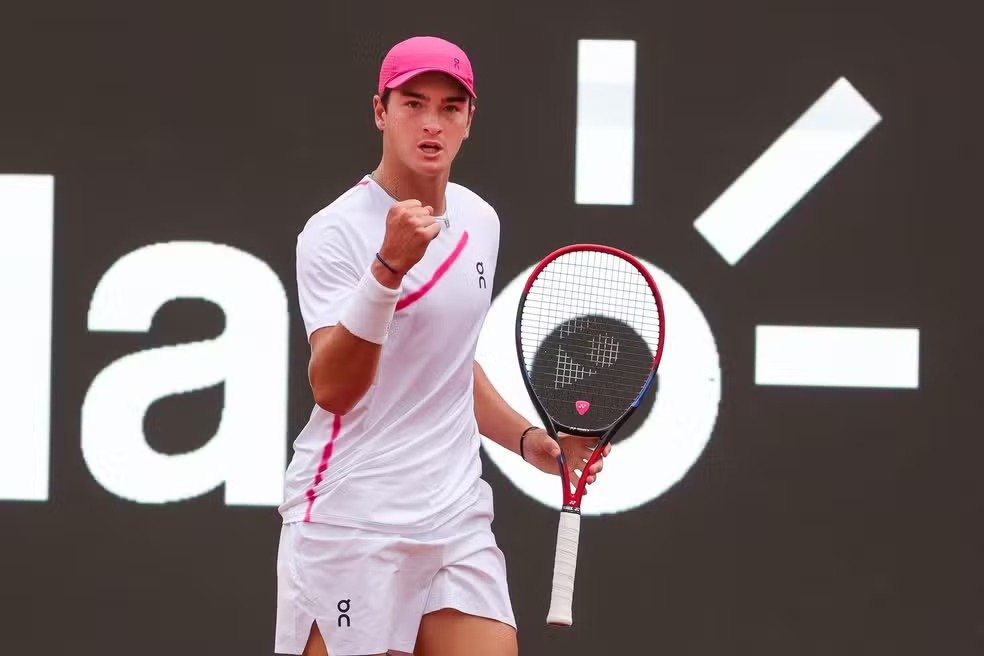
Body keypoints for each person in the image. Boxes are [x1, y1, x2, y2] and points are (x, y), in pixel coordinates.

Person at [275, 35, 610, 656]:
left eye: (450, 107)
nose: (432, 123)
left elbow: (449, 365)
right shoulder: (334, 233)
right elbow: (335, 388)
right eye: (413, 104)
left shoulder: (482, 222)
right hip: (353, 519)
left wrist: (527, 441)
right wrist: (386, 271)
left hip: (455, 516)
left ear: (469, 120)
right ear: (381, 111)